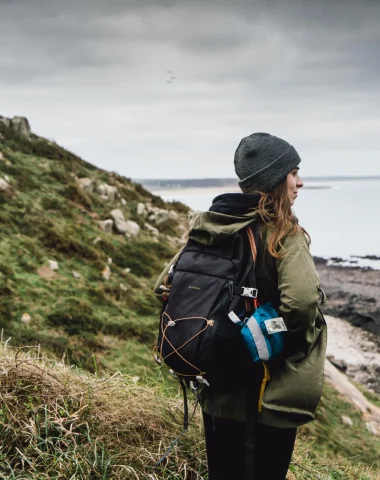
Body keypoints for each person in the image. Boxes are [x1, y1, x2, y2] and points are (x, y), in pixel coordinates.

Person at [154, 133, 327, 480]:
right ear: (275, 180)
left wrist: (219, 334)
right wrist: (267, 339)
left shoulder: (212, 226)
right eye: (294, 172)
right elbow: (302, 303)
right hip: (266, 397)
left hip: (214, 386)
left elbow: (163, 287)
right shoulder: (282, 234)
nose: (300, 181)